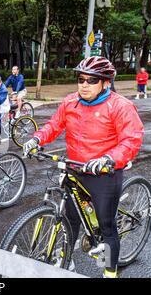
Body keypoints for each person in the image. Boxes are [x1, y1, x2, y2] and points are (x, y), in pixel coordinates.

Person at [23, 56, 144, 278]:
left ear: (106, 83)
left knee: (107, 228)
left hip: (104, 172)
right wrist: (37, 139)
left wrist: (108, 159)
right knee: (70, 219)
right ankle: (66, 260)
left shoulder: (120, 106)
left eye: (92, 80)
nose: (84, 85)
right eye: (81, 79)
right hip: (76, 168)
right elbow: (53, 125)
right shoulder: (71, 102)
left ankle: (109, 271)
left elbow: (131, 140)